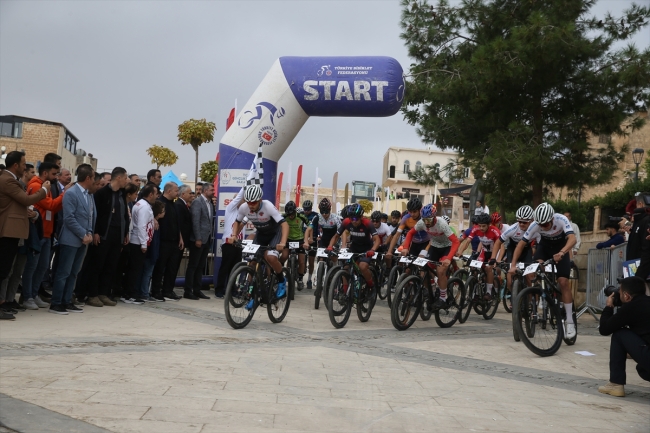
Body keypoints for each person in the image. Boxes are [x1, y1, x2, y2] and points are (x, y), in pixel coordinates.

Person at [509, 203, 577, 339]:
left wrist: (563, 252)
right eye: (540, 225)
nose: (543, 227)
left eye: (545, 224)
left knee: (563, 282)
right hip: (544, 248)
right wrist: (513, 264)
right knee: (535, 269)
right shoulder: (535, 225)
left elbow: (572, 238)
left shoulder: (561, 219)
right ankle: (541, 294)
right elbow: (521, 244)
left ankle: (569, 321)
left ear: (552, 219)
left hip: (560, 249)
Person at [0, 151, 49, 320]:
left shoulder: (9, 180)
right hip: (6, 231)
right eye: (23, 164)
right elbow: (26, 200)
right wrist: (44, 190)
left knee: (5, 270)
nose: (25, 166)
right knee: (3, 270)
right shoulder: (8, 180)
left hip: (11, 231)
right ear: (15, 165)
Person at [230, 184, 290, 309]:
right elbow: (237, 222)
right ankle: (253, 295)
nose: (251, 205)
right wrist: (234, 235)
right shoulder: (244, 207)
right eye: (249, 202)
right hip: (261, 234)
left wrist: (283, 243)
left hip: (275, 233)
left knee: (271, 258)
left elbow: (284, 225)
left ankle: (281, 280)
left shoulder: (268, 206)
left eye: (254, 203)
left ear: (260, 200)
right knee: (252, 262)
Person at [49, 164, 96, 315]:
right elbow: (69, 218)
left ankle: (67, 300)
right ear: (87, 178)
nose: (94, 180)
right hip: (71, 239)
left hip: (84, 240)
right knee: (64, 272)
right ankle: (56, 302)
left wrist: (89, 232)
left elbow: (90, 216)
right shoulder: (71, 193)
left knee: (74, 272)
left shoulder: (89, 195)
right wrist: (83, 234)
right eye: (93, 177)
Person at [83, 167, 130, 308]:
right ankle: (92, 294)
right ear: (119, 178)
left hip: (118, 236)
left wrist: (125, 232)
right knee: (97, 265)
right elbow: (96, 214)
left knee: (111, 266)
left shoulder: (122, 194)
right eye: (126, 177)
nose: (127, 180)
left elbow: (124, 215)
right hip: (103, 235)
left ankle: (104, 293)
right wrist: (96, 231)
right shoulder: (102, 193)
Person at [597, 276, 650, 397]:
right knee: (642, 369)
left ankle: (615, 383)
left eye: (619, 292)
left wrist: (609, 307)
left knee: (619, 334)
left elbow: (604, 329)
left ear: (626, 296)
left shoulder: (631, 307)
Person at [21, 162, 63, 310]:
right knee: (32, 267)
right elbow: (50, 205)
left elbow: (54, 206)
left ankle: (34, 294)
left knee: (43, 266)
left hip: (47, 233)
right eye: (54, 174)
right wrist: (65, 194)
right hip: (38, 233)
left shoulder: (47, 186)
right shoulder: (38, 187)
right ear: (45, 173)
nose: (56, 177)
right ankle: (27, 296)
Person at [401, 204, 460, 309]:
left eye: (429, 220)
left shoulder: (442, 224)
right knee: (423, 268)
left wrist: (448, 258)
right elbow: (410, 233)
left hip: (447, 247)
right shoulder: (421, 223)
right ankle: (431, 289)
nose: (426, 223)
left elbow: (455, 242)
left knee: (440, 270)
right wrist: (405, 247)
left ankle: (443, 298)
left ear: (434, 217)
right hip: (434, 246)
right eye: (424, 220)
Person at [326, 203, 380, 291]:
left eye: (356, 218)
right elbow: (336, 236)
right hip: (354, 247)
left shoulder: (367, 223)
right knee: (345, 268)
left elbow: (377, 239)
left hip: (366, 248)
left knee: (362, 267)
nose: (353, 221)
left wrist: (373, 249)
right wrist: (330, 246)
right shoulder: (346, 222)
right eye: (351, 218)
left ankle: (371, 285)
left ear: (361, 217)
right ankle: (345, 291)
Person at [123, 184, 157, 304]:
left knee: (134, 269)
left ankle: (130, 292)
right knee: (134, 269)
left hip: (138, 240)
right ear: (151, 194)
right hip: (138, 241)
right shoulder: (144, 207)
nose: (157, 196)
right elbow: (142, 225)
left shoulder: (141, 204)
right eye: (156, 193)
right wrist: (144, 244)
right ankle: (130, 294)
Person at [150, 182, 183, 302]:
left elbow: (177, 223)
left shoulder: (174, 204)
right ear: (169, 191)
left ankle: (168, 290)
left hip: (174, 241)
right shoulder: (160, 203)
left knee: (172, 268)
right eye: (176, 191)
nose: (177, 193)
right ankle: (156, 291)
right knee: (160, 267)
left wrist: (180, 238)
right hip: (163, 241)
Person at [457, 212, 501, 300]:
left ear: (489, 224)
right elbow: (468, 241)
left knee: (489, 269)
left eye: (484, 226)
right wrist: (460, 252)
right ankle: (477, 291)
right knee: (474, 267)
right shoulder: (475, 229)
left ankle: (489, 292)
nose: (481, 228)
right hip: (484, 251)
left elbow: (501, 245)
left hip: (495, 251)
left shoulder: (495, 231)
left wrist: (495, 259)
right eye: (480, 225)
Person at [185, 183, 215, 299]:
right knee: (193, 265)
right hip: (198, 239)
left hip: (206, 239)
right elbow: (195, 221)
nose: (213, 192)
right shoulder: (198, 202)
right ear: (205, 190)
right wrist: (197, 238)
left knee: (200, 265)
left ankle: (197, 289)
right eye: (212, 190)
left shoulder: (210, 204)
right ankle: (188, 290)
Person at [283, 201, 311, 290]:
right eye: (289, 214)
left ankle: (300, 279)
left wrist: (309, 239)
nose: (290, 216)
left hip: (299, 240)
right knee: (284, 256)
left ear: (295, 211)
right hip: (288, 240)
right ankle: (279, 273)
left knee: (302, 261)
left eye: (292, 214)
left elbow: (310, 225)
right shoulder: (284, 217)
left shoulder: (301, 216)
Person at [301, 200, 319, 289]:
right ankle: (299, 273)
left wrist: (317, 237)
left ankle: (309, 279)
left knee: (311, 261)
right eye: (305, 209)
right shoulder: (301, 214)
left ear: (311, 209)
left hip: (313, 239)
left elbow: (318, 228)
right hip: (302, 238)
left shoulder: (316, 216)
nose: (306, 211)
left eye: (308, 209)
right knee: (301, 258)